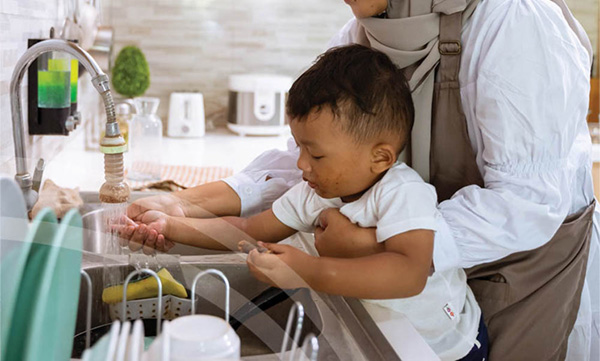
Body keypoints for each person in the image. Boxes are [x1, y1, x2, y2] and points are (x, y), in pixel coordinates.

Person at [123, 0, 598, 361]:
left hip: (519, 281)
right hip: (415, 290)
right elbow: (310, 163)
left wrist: (381, 249)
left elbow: (525, 203)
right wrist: (184, 206)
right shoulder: (367, 34)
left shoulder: (513, 24)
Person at [123, 44, 489, 361]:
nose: (301, 165)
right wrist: (171, 224)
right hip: (384, 336)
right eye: (299, 147)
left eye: (315, 154)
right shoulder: (315, 192)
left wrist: (307, 271)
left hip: (447, 349)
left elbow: (409, 275)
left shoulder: (402, 193)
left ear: (380, 157)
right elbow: (250, 230)